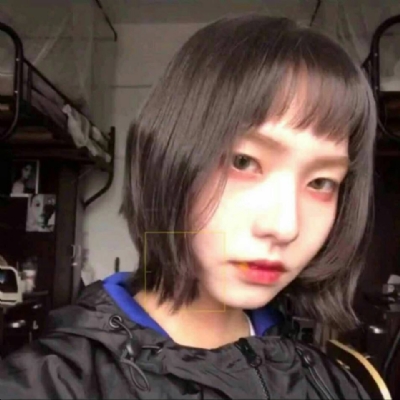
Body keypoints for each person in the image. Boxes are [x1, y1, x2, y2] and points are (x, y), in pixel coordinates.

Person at [0, 15, 376, 399]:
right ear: (168, 159)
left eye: (320, 182)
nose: (285, 226)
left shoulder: (337, 386)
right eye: (243, 161)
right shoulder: (48, 386)